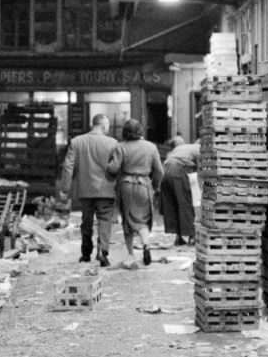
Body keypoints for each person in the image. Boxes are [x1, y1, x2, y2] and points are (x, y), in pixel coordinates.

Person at [59, 114, 118, 266]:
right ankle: (103, 251)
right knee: (105, 220)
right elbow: (117, 167)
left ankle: (86, 253)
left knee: (86, 221)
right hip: (106, 189)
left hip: (85, 190)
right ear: (104, 125)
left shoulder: (77, 142)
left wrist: (65, 188)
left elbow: (68, 166)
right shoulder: (113, 143)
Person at [106, 119, 163, 267]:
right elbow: (159, 171)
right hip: (144, 185)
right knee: (143, 220)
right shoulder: (151, 147)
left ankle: (131, 254)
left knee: (128, 221)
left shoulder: (121, 147)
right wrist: (155, 187)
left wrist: (107, 165)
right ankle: (146, 245)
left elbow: (113, 168)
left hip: (126, 186)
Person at [160, 138, 201, 246]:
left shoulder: (184, 148)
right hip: (178, 172)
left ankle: (178, 237)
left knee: (172, 204)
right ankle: (192, 237)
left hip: (165, 173)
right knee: (185, 204)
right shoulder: (199, 149)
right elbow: (202, 171)